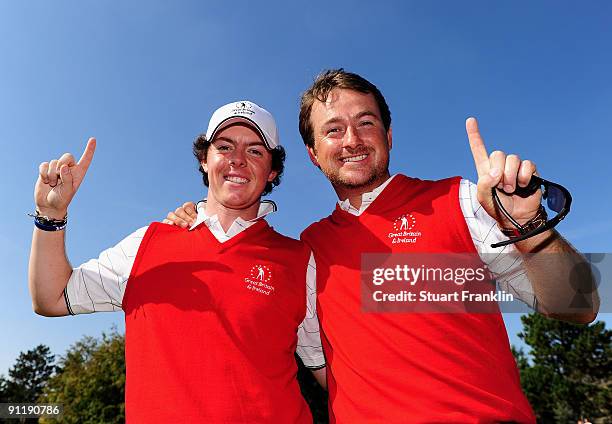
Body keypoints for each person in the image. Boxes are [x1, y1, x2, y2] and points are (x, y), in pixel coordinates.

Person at [166, 70, 600, 423]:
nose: (351, 139)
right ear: (314, 154)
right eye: (333, 130)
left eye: (365, 122)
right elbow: (323, 368)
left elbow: (579, 305)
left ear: (389, 136)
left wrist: (530, 224)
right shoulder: (309, 251)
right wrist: (197, 217)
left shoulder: (460, 199)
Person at [28, 101, 325, 423]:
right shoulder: (147, 243)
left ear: (272, 171)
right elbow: (50, 298)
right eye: (224, 147)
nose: (237, 159)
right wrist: (51, 215)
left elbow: (332, 373)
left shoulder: (300, 260)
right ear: (204, 160)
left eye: (255, 151)